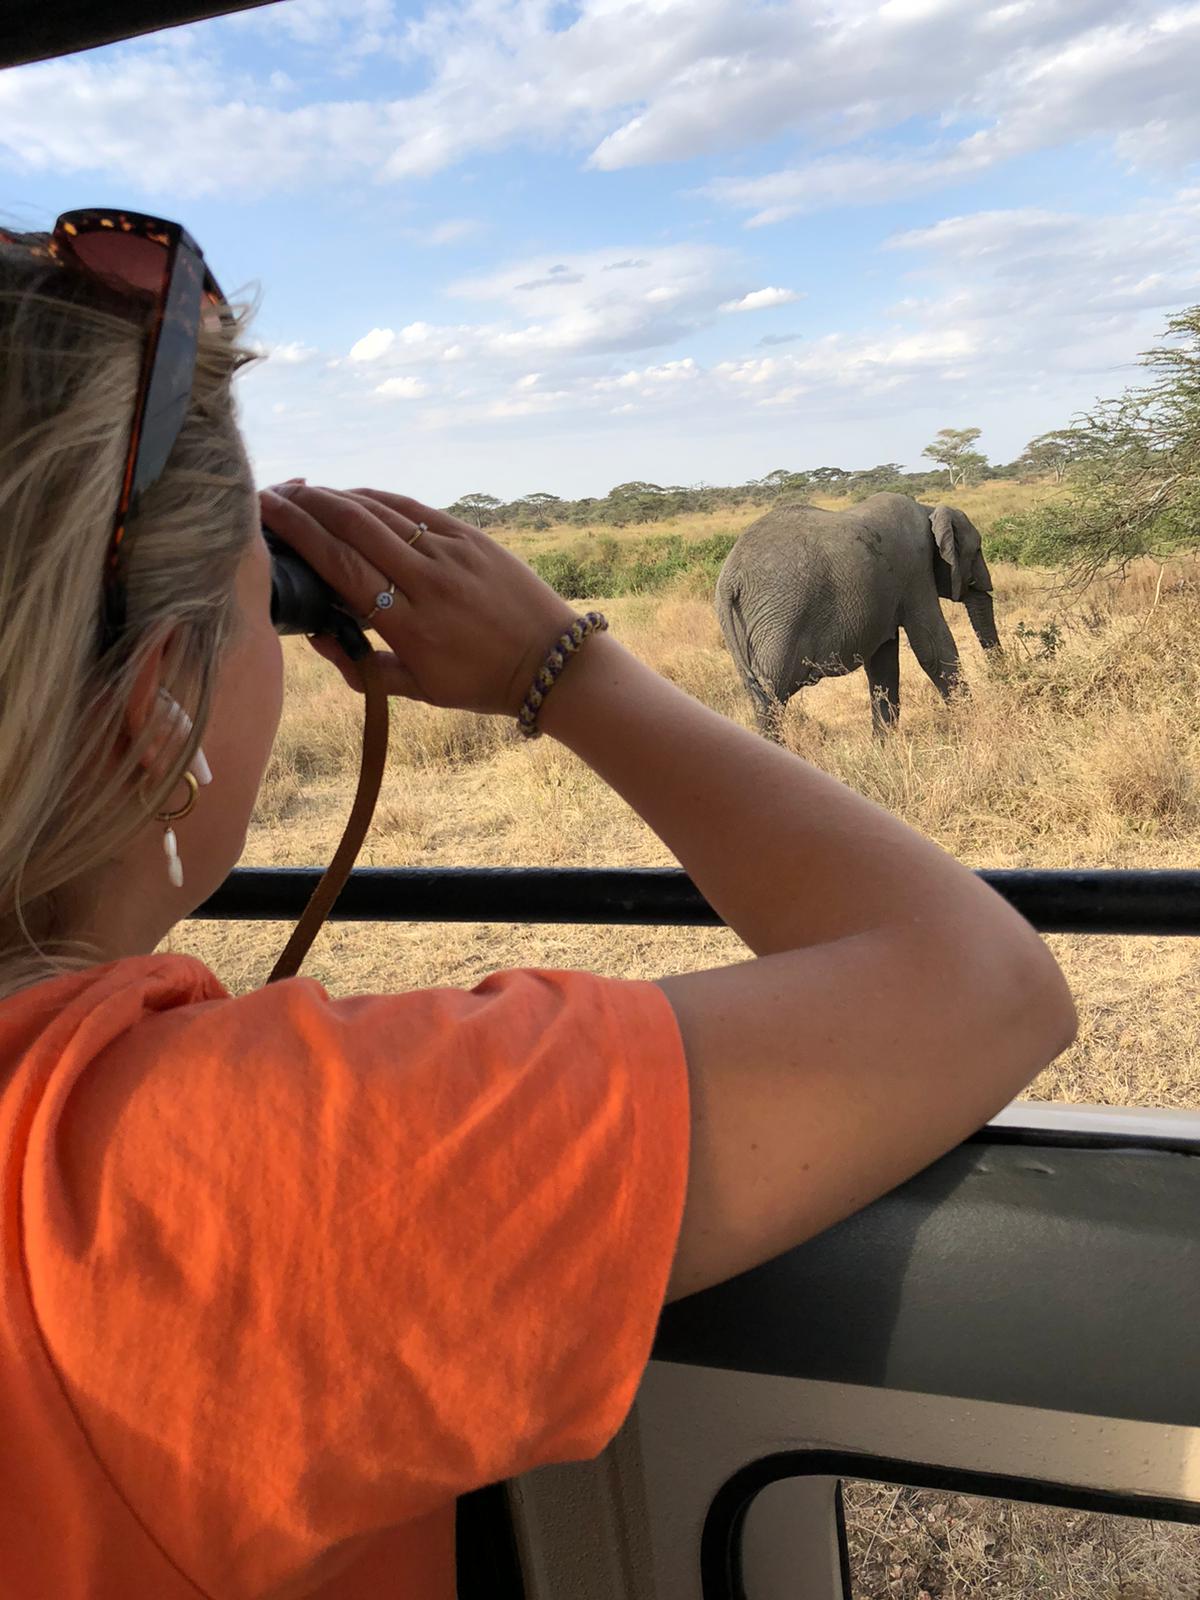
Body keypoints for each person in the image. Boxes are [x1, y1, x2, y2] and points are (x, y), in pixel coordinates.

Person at [0, 212, 1076, 1600]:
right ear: (161, 713)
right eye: (262, 600)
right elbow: (983, 983)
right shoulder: (201, 1174)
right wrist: (564, 665)